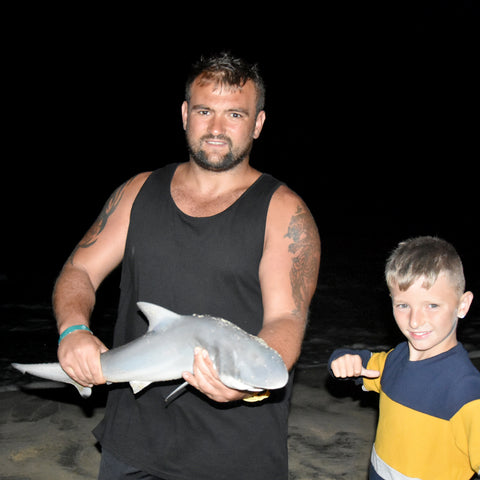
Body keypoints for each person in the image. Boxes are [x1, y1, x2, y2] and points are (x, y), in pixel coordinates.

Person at [52, 52, 321, 480]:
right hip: (133, 443)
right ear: (184, 114)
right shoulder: (138, 191)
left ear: (258, 124)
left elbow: (287, 316)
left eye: (235, 114)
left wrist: (247, 389)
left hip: (237, 451)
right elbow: (79, 271)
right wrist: (74, 329)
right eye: (204, 111)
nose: (216, 128)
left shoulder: (285, 213)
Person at [329, 236, 480, 480]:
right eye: (403, 305)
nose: (415, 320)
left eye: (432, 305)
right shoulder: (394, 360)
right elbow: (355, 362)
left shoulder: (466, 392)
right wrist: (342, 360)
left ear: (462, 305)